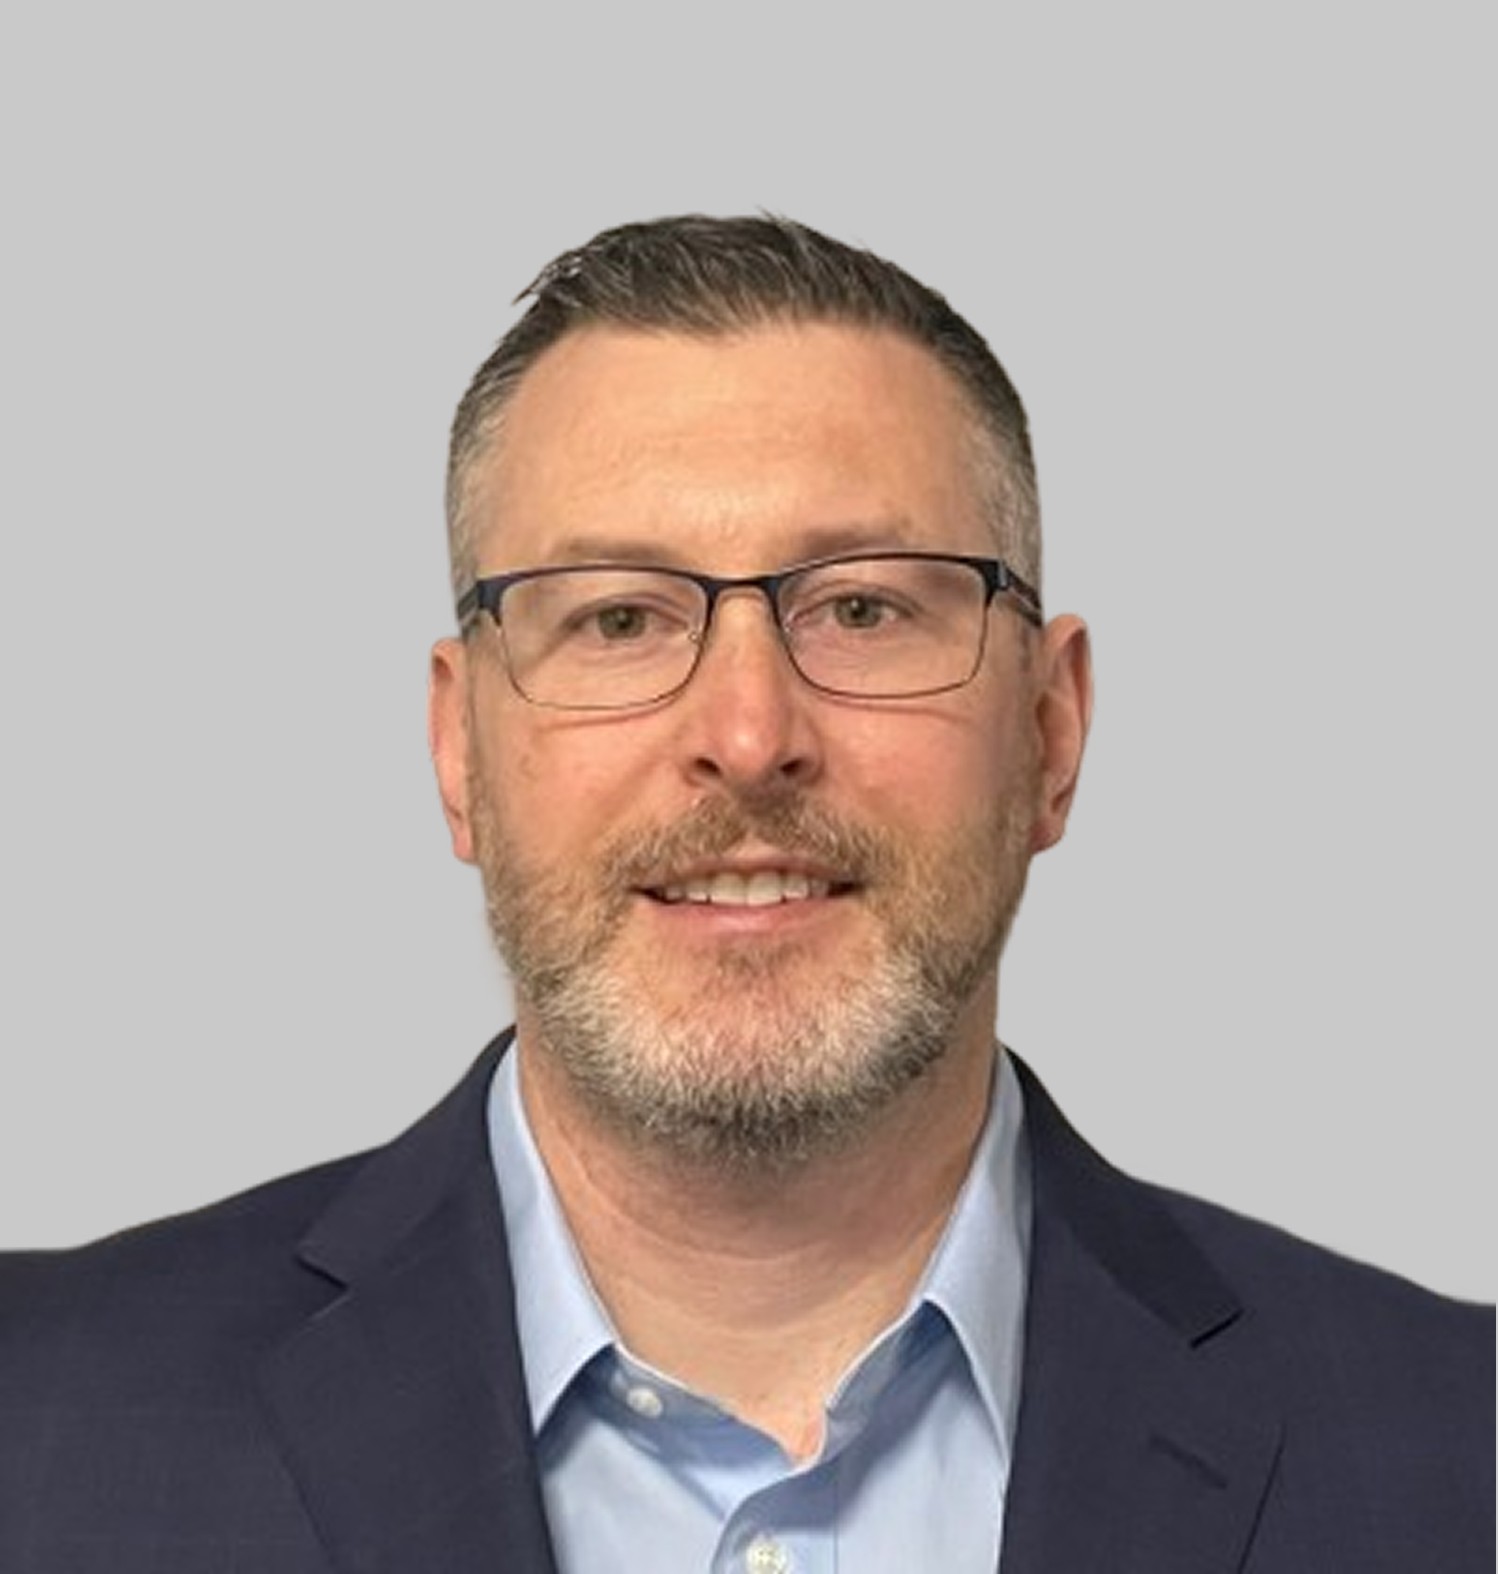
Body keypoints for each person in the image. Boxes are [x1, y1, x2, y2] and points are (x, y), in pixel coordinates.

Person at [0, 215, 1490, 1572]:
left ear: (1049, 730)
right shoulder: (37, 1429)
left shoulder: (1454, 1454)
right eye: (618, 618)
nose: (748, 734)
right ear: (461, 748)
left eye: (862, 605)